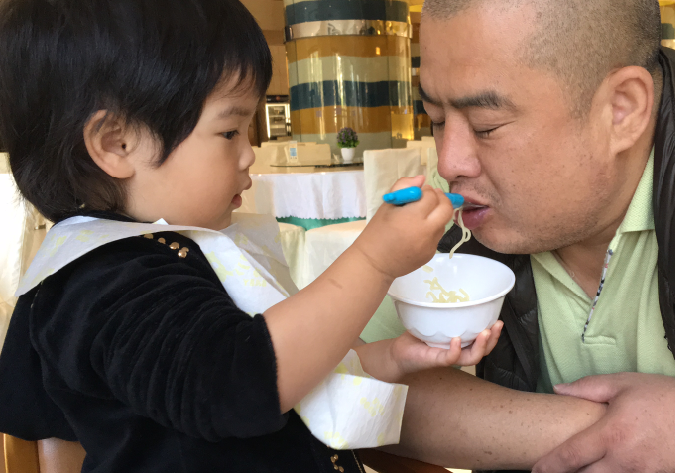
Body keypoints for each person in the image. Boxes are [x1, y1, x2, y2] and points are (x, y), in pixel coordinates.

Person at [0, 0, 511, 471]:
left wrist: (391, 358)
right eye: (229, 132)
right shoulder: (100, 281)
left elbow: (295, 372)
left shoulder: (189, 249)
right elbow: (237, 383)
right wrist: (375, 260)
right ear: (116, 144)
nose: (249, 154)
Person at [361, 0, 675, 472]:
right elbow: (348, 381)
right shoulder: (456, 209)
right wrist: (607, 431)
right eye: (436, 119)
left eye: (487, 127)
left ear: (621, 110)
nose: (449, 162)